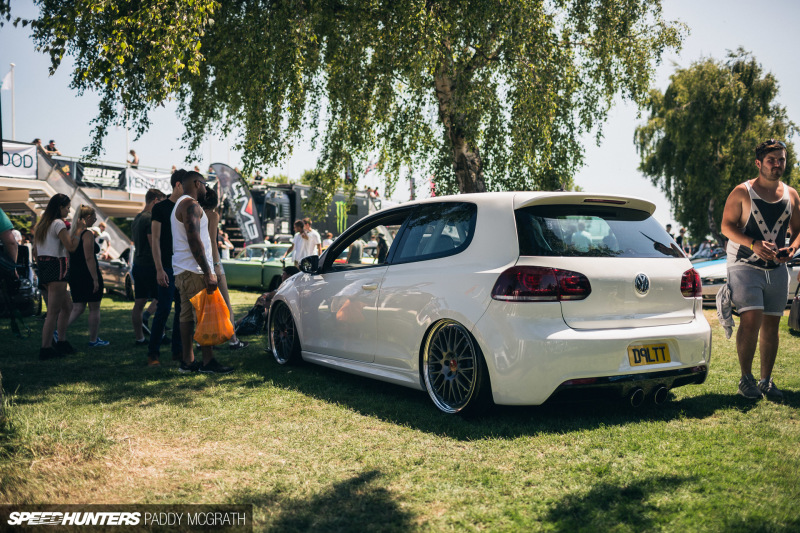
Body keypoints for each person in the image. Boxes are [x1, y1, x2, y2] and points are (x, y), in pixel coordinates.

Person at [721, 139, 800, 401]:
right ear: (759, 163)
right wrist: (752, 243)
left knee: (771, 324)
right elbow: (727, 227)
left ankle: (766, 380)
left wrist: (792, 249)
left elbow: (798, 231)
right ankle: (746, 378)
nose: (777, 164)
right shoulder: (742, 192)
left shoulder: (791, 195)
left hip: (777, 268)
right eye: (771, 160)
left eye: (781, 160)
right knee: (752, 317)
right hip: (744, 265)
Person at [172, 171, 234, 373]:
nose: (206, 189)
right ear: (197, 183)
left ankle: (188, 362)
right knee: (204, 315)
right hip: (195, 270)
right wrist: (208, 271)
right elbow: (194, 239)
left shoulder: (179, 204)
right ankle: (208, 362)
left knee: (186, 316)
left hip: (183, 270)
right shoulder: (191, 205)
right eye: (205, 185)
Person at [33, 194, 85, 360]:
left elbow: (35, 251)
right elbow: (70, 247)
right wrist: (78, 230)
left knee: (67, 307)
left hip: (45, 266)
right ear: (59, 207)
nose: (69, 211)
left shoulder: (42, 224)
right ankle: (46, 348)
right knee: (53, 312)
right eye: (67, 207)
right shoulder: (58, 224)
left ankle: (61, 341)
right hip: (57, 267)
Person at [199, 188, 249, 350]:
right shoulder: (212, 215)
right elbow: (213, 241)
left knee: (204, 306)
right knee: (226, 304)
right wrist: (215, 266)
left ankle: (203, 341)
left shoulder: (194, 214)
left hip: (198, 264)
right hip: (213, 263)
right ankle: (233, 340)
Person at [148, 170, 185, 364]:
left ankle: (177, 351)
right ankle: (153, 353)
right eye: (186, 184)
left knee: (182, 310)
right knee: (163, 310)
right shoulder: (160, 208)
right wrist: (159, 269)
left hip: (182, 267)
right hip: (167, 267)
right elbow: (155, 240)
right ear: (178, 184)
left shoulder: (186, 207)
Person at [65, 205, 109, 347]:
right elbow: (89, 257)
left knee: (77, 307)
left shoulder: (72, 234)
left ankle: (57, 331)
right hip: (87, 274)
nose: (95, 220)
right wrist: (95, 279)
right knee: (94, 308)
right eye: (94, 217)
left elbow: (68, 256)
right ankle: (93, 339)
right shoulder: (87, 234)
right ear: (88, 218)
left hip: (74, 274)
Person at [131, 188, 166, 359]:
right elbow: (154, 244)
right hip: (150, 265)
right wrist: (161, 266)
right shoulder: (150, 218)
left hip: (137, 264)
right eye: (161, 202)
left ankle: (140, 338)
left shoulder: (137, 218)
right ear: (155, 201)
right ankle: (149, 321)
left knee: (139, 302)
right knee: (163, 298)